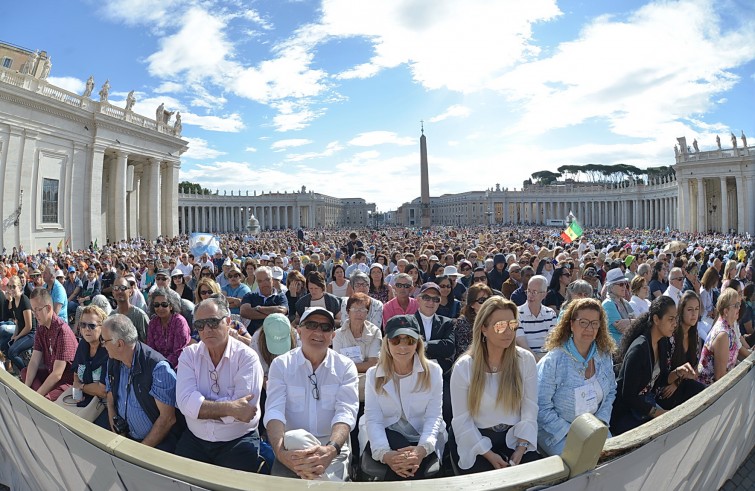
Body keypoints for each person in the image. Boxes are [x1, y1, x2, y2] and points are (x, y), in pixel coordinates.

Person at [264, 307, 358, 481]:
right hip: (292, 446)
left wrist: (330, 450)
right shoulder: (281, 365)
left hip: (333, 446)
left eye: (325, 327)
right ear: (299, 330)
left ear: (333, 335)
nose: (318, 332)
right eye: (311, 325)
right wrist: (280, 453)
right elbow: (274, 411)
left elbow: (345, 413)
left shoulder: (345, 367)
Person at [450, 296, 540, 473]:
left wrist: (521, 448)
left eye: (512, 325)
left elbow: (530, 408)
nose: (508, 332)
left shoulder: (525, 360)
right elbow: (462, 420)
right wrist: (489, 454)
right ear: (484, 328)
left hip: (517, 438)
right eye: (500, 326)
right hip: (476, 441)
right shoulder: (465, 367)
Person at [175, 295, 265, 472]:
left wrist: (199, 408)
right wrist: (230, 408)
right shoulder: (189, 355)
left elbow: (245, 411)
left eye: (213, 322)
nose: (207, 329)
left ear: (229, 322)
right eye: (200, 325)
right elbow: (185, 403)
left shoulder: (247, 357)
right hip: (196, 440)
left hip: (237, 440)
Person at [359, 315, 446, 480]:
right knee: (403, 467)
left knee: (409, 467)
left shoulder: (434, 372)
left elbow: (433, 416)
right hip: (387, 433)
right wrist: (385, 454)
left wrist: (422, 449)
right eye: (396, 340)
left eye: (410, 341)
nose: (403, 347)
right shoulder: (373, 374)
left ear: (418, 343)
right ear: (386, 343)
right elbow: (374, 418)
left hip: (421, 435)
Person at [537, 298, 617, 456]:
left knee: (612, 457)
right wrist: (573, 433)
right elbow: (541, 406)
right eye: (583, 322)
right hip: (556, 433)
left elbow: (611, 392)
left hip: (593, 427)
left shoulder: (603, 355)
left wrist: (599, 422)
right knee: (579, 465)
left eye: (594, 323)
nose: (589, 328)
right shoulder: (554, 361)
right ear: (571, 324)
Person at [610, 296, 691, 435]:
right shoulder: (639, 349)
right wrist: (657, 413)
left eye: (675, 319)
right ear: (656, 319)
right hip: (626, 413)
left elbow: (660, 379)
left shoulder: (662, 342)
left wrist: (678, 372)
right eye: (670, 319)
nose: (675, 324)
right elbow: (628, 396)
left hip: (644, 405)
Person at [102, 315, 178, 451]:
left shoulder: (158, 368)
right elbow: (110, 398)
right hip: (125, 438)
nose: (103, 345)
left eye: (104, 341)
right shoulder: (113, 360)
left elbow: (167, 419)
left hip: (156, 445)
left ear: (119, 344)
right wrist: (117, 430)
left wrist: (139, 451)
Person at [22, 288, 77, 401]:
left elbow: (58, 374)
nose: (35, 315)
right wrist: (26, 389)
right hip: (50, 374)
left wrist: (36, 396)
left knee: (45, 401)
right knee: (25, 372)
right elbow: (34, 360)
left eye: (38, 310)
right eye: (33, 310)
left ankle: (39, 398)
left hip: (67, 381)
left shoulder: (62, 331)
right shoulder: (41, 328)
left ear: (48, 308)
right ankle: (36, 395)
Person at [658, 291, 706, 409]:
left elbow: (694, 367)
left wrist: (677, 383)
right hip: (665, 388)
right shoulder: (671, 336)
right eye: (690, 310)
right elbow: (663, 374)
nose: (694, 314)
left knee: (705, 394)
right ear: (681, 311)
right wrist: (675, 382)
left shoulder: (695, 336)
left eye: (696, 309)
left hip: (682, 383)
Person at [698, 288, 751, 386]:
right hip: (711, 391)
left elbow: (737, 352)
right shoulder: (722, 334)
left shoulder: (729, 327)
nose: (739, 308)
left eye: (739, 304)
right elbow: (720, 377)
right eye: (736, 305)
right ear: (726, 311)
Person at [332, 292, 381, 373]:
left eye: (362, 310)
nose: (359, 313)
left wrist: (346, 367)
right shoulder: (338, 334)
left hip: (367, 378)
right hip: (344, 378)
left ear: (367, 313)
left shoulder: (375, 332)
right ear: (348, 312)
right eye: (354, 309)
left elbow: (373, 364)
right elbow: (337, 364)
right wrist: (364, 365)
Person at [146, 287, 191, 369]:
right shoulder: (153, 323)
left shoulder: (179, 322)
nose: (160, 308)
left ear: (171, 306)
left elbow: (180, 351)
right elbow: (150, 349)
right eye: (156, 305)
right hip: (157, 366)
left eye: (164, 304)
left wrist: (163, 365)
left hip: (179, 365)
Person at [516, 275, 557, 360]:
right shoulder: (517, 313)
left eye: (534, 292)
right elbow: (522, 344)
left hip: (547, 358)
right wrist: (538, 364)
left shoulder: (550, 314)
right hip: (526, 359)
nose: (530, 295)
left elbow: (552, 342)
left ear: (544, 294)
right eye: (528, 291)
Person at [240, 266, 289, 335]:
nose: (264, 283)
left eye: (267, 279)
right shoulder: (250, 296)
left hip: (275, 336)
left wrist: (258, 308)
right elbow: (244, 312)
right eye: (260, 281)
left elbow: (282, 311)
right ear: (257, 282)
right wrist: (273, 314)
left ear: (272, 280)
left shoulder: (280, 296)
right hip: (253, 336)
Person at [1, 275, 34, 373]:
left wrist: (17, 336)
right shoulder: (15, 300)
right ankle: (16, 369)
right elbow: (17, 322)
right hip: (22, 332)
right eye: (10, 286)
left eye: (14, 286)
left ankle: (26, 373)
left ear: (19, 287)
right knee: (4, 345)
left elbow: (29, 326)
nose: (11, 289)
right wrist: (14, 335)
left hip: (31, 334)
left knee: (12, 352)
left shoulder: (24, 300)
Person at [602, 268, 635, 345]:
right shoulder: (608, 304)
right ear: (611, 287)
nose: (624, 287)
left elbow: (636, 323)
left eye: (625, 283)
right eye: (621, 284)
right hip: (615, 349)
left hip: (626, 346)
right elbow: (622, 328)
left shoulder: (625, 303)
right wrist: (634, 321)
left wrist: (629, 322)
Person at [111, 276, 149, 342]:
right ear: (113, 293)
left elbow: (147, 342)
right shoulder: (112, 316)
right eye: (116, 288)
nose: (119, 291)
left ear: (130, 292)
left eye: (123, 288)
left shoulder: (140, 316)